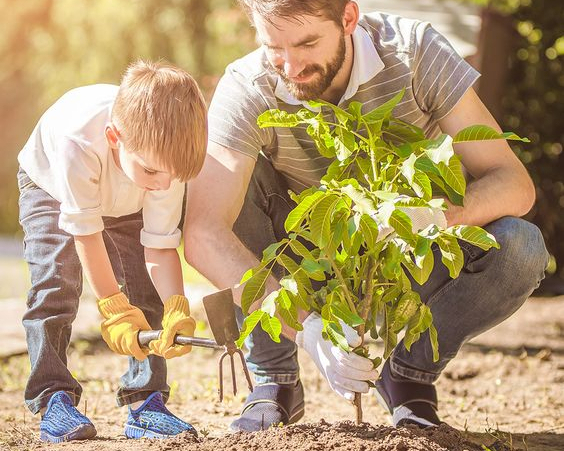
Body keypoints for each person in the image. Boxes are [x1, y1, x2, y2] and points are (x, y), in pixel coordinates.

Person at [183, 0, 548, 431]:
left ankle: (408, 378)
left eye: (307, 43)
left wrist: (436, 216)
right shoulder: (249, 84)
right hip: (306, 265)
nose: (291, 65)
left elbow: (514, 183)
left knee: (521, 247)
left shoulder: (415, 53)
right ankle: (274, 381)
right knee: (230, 179)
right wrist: (305, 330)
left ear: (348, 18)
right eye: (273, 46)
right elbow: (204, 232)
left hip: (404, 257)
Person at [17, 60, 207, 442]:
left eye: (173, 175)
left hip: (127, 196)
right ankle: (53, 396)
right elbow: (86, 233)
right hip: (53, 187)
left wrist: (176, 305)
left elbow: (160, 245)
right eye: (155, 172)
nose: (165, 184)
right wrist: (113, 308)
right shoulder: (78, 142)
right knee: (56, 283)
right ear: (115, 138)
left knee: (146, 290)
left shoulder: (161, 166)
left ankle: (146, 401)